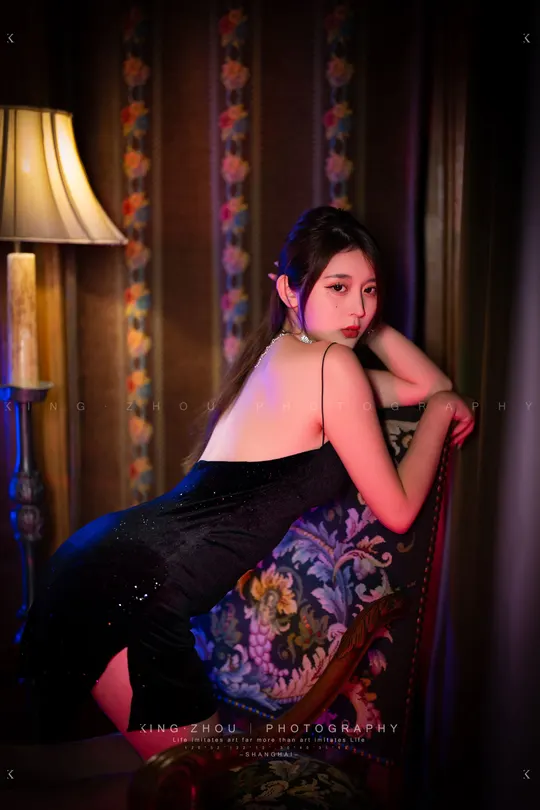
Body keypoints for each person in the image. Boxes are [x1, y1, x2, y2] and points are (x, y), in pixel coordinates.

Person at [17, 206, 474, 761]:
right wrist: (440, 412)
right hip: (134, 590)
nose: (358, 306)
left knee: (175, 784)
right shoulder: (330, 366)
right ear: (288, 290)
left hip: (97, 564)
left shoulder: (285, 355)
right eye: (338, 287)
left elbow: (426, 383)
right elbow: (401, 503)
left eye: (370, 289)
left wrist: (353, 315)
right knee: (194, 784)